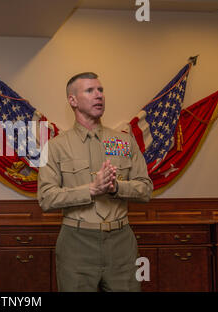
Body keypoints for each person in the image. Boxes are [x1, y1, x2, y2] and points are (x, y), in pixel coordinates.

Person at [38, 72, 152, 292]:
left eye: (100, 90)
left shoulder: (123, 141)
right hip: (76, 243)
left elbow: (145, 190)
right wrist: (90, 189)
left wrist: (116, 187)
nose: (99, 95)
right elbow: (45, 198)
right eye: (90, 91)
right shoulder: (55, 147)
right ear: (72, 100)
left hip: (122, 243)